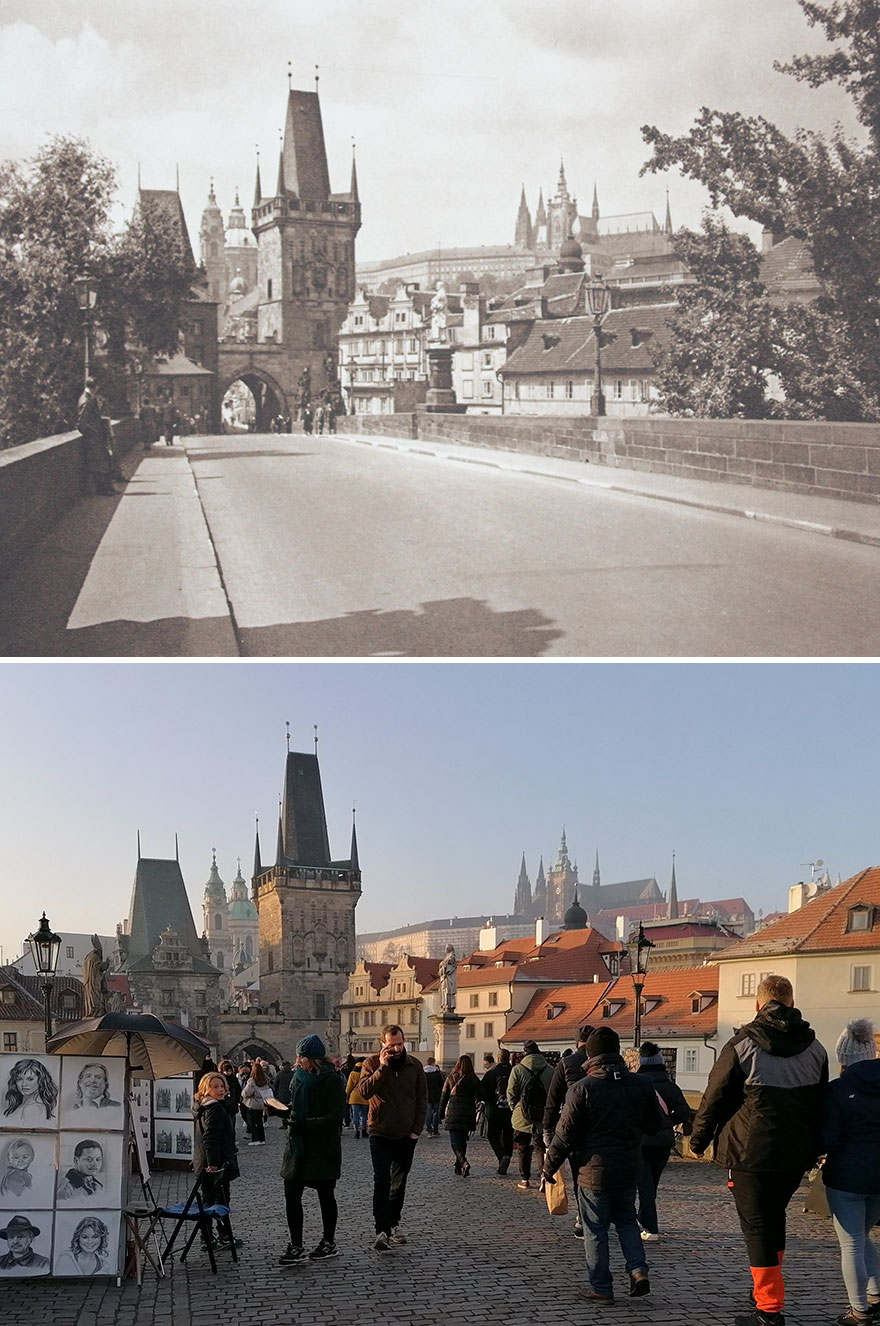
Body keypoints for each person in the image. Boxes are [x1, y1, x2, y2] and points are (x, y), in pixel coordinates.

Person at [690, 974, 827, 1326]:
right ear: (792, 1003)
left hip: (750, 1154)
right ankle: (765, 1291)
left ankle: (768, 1309)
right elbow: (821, 1104)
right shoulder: (815, 1049)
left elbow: (715, 1097)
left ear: (758, 1004)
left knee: (757, 1227)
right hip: (795, 1154)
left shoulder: (742, 1045)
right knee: (774, 1219)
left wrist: (698, 1140)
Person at [543, 1026, 664, 1305]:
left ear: (590, 1054)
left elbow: (564, 1136)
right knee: (626, 1220)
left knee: (595, 1229)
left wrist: (549, 1168)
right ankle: (637, 1270)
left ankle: (601, 1286)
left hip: (592, 1171)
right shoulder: (641, 1085)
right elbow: (656, 1124)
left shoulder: (582, 1088)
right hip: (629, 1165)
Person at [822, 1020, 880, 1324]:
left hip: (846, 1177)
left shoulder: (839, 1090)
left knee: (852, 1244)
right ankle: (875, 1292)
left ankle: (859, 1310)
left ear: (843, 1058)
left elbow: (828, 1139)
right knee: (864, 1235)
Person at [358, 1024, 427, 1252]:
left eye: (399, 1044)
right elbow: (365, 1092)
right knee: (382, 1182)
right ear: (382, 1044)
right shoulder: (370, 1064)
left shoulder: (414, 1065)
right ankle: (382, 1230)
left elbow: (422, 1099)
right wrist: (383, 1068)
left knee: (398, 1184)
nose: (396, 1049)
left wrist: (416, 1130)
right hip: (379, 1131)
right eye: (391, 1045)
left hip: (406, 1135)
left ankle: (393, 1223)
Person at [278, 1035, 346, 1265]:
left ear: (314, 1059)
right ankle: (296, 1244)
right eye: (298, 1056)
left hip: (322, 1146)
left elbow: (335, 1117)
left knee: (326, 1195)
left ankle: (329, 1242)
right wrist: (282, 1111)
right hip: (297, 1146)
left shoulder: (332, 1081)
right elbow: (295, 1109)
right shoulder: (298, 1078)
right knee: (291, 1194)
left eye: (302, 1057)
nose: (298, 1061)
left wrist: (306, 1123)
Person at [634, 1041, 693, 1242]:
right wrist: (667, 1122)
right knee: (652, 1184)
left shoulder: (638, 1085)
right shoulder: (671, 1087)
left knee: (644, 1187)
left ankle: (650, 1226)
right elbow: (684, 1112)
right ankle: (645, 1220)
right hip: (664, 1142)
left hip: (641, 1143)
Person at [543, 1024, 595, 1236]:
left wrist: (548, 1130)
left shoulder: (566, 1063)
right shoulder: (607, 1063)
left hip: (574, 1127)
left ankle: (583, 1219)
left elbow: (552, 1101)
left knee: (579, 1175)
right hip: (605, 1126)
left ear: (576, 1043)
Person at [193, 1071, 240, 1252]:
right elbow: (210, 1138)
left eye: (222, 1086)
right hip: (215, 1164)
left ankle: (209, 1236)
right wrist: (213, 1164)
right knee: (218, 1201)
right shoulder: (215, 1109)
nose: (220, 1090)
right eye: (215, 1087)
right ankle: (221, 1235)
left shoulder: (203, 1107)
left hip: (206, 1162)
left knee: (210, 1200)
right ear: (206, 1089)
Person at [507, 1039, 554, 1189]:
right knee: (541, 1147)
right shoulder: (550, 1070)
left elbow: (511, 1092)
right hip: (543, 1114)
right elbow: (555, 1093)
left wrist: (515, 1108)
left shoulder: (517, 1069)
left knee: (523, 1148)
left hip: (522, 1116)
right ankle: (543, 1175)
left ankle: (525, 1179)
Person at [439, 1054, 480, 1175]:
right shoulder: (473, 1078)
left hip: (454, 1112)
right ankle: (459, 1165)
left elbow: (444, 1096)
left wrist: (441, 1113)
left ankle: (463, 1162)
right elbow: (481, 1095)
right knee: (463, 1141)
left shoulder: (451, 1077)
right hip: (468, 1113)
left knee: (455, 1141)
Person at [76, 377, 118, 494]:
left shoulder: (88, 398)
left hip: (95, 435)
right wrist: (93, 434)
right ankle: (102, 489)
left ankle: (106, 488)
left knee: (102, 462)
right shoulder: (87, 400)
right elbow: (81, 422)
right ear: (96, 387)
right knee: (99, 463)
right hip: (93, 437)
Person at [480, 1048, 514, 1174]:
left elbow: (481, 1092)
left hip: (493, 1110)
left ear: (498, 1059)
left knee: (492, 1135)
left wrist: (489, 1099)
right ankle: (507, 1158)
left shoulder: (491, 1073)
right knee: (508, 1135)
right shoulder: (514, 1072)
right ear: (508, 1058)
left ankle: (501, 1156)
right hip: (510, 1110)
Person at [3, 1059, 58, 1124]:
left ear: (40, 1081)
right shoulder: (22, 1104)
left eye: (30, 1079)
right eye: (19, 1079)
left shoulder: (33, 1109)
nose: (24, 1084)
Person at [82, 934, 111, 1016]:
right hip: (94, 981)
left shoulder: (88, 957)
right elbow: (101, 967)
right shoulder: (95, 957)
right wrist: (107, 962)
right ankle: (95, 1011)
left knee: (90, 997)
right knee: (95, 998)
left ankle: (92, 1011)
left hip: (89, 982)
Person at [241, 1062, 269, 1144]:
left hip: (253, 1104)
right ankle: (262, 1139)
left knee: (253, 1122)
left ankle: (256, 1139)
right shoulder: (264, 1080)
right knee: (260, 1122)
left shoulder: (252, 1081)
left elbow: (246, 1093)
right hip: (261, 1104)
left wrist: (243, 1093)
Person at [346, 1060, 369, 1139]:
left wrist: (346, 1095)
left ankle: (356, 1131)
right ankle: (364, 1130)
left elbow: (349, 1086)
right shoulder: (365, 1073)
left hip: (354, 1097)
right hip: (364, 1097)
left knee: (355, 1115)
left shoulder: (352, 1074)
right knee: (364, 1115)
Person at [423, 1056, 444, 1138]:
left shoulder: (423, 1073)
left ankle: (429, 1130)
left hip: (427, 1095)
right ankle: (435, 1130)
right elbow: (441, 1084)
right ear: (433, 1063)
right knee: (436, 1113)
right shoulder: (437, 1073)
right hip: (436, 1095)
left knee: (428, 1113)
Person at [273, 1060, 294, 1129]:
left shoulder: (279, 1074)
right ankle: (292, 1122)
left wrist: (275, 1094)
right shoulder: (293, 1073)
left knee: (283, 1109)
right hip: (292, 1094)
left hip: (282, 1094)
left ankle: (284, 1124)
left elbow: (275, 1084)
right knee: (292, 1109)